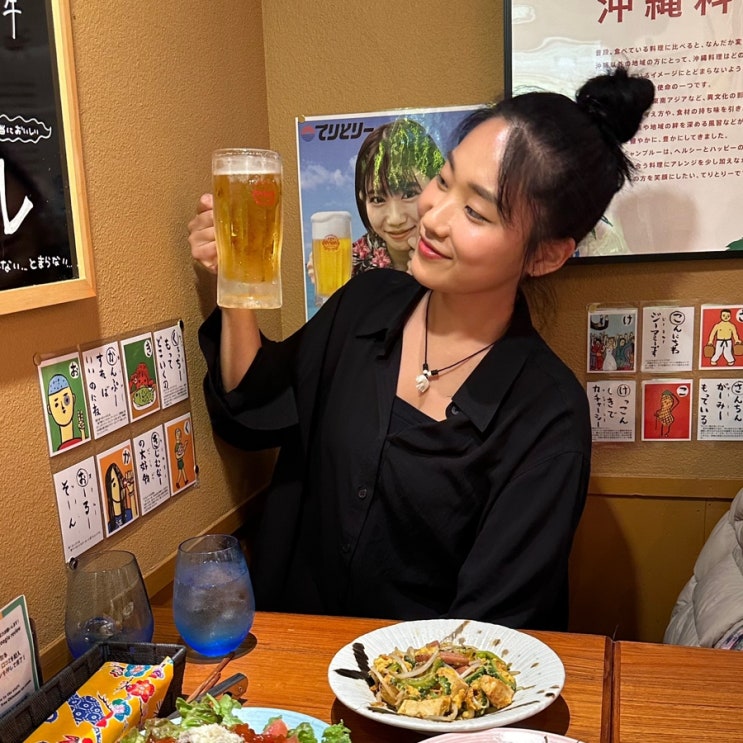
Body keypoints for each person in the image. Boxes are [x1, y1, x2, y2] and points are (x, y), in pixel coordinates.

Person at [188, 66, 655, 630]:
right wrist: (236, 280)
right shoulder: (364, 305)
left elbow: (492, 629)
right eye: (443, 179)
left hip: (427, 685)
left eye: (476, 211)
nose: (431, 217)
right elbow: (253, 406)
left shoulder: (546, 416)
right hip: (292, 666)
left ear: (546, 255)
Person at [351, 118, 444, 274]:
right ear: (363, 199)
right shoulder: (348, 267)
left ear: (439, 184)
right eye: (377, 199)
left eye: (409, 194)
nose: (395, 219)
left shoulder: (468, 255)